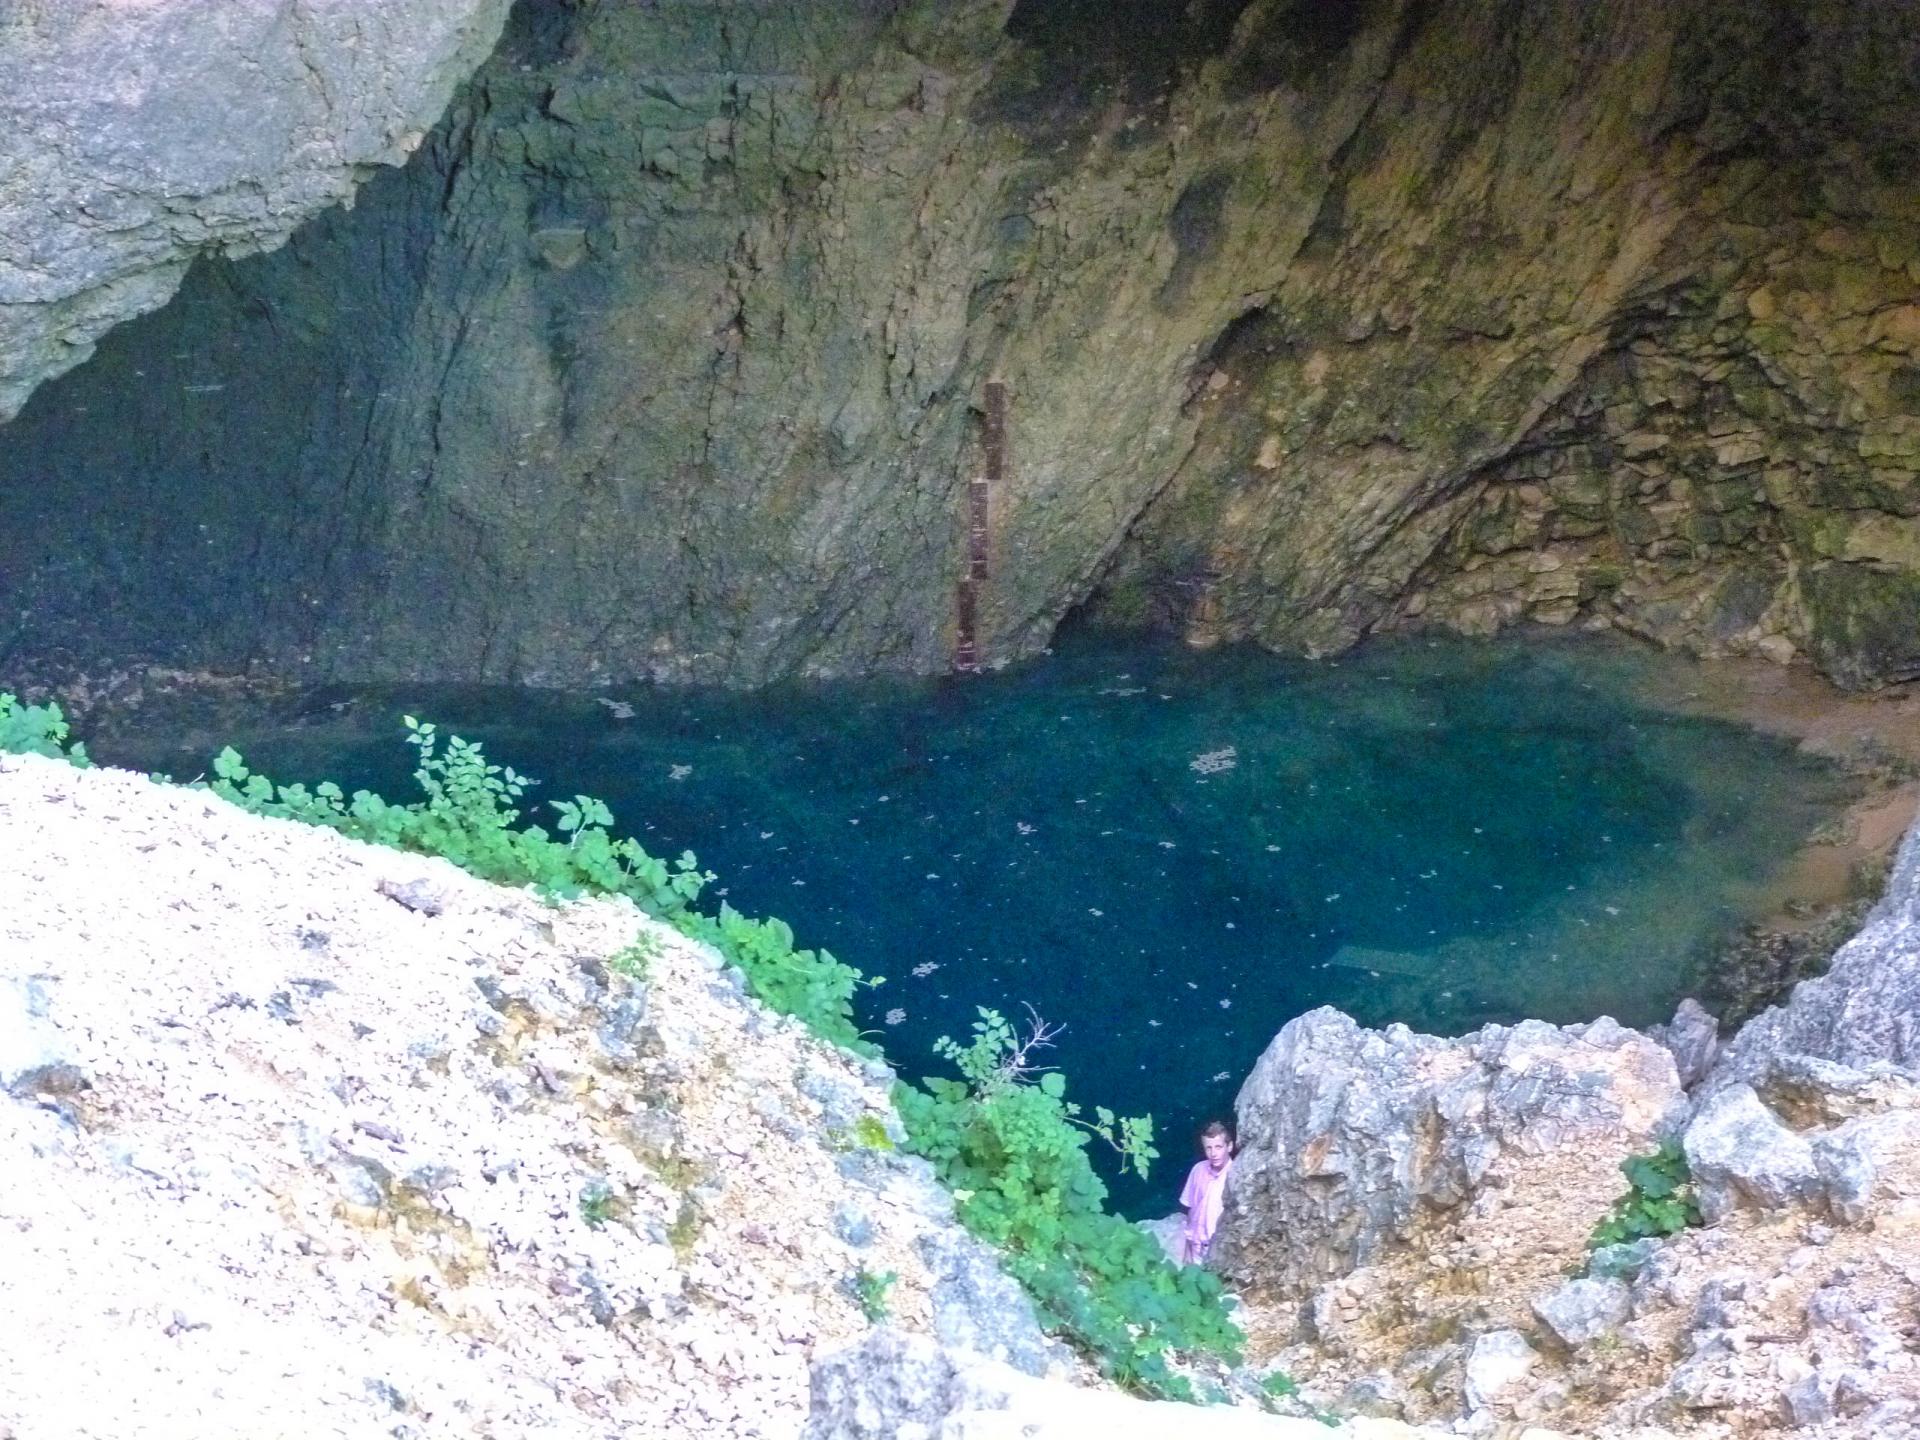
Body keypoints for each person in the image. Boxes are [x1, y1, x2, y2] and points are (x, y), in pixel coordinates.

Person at [1178, 1120, 1234, 1265]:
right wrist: (1187, 1249)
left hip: (1220, 1249)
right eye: (1208, 1148)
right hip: (1196, 1247)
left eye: (1218, 1147)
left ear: (1229, 1146)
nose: (1213, 1153)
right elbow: (1190, 1208)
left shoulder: (1235, 1174)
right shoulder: (1198, 1170)